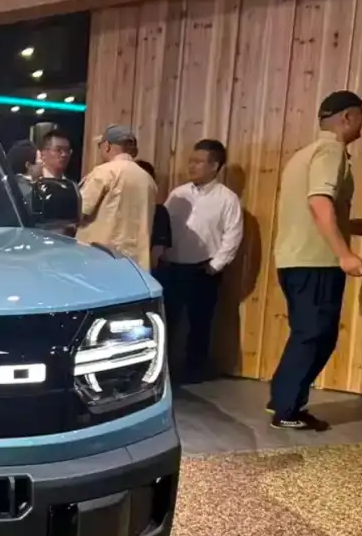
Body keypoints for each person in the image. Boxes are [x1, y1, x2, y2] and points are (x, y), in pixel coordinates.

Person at [268, 91, 362, 431]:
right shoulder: (331, 151)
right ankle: (287, 409)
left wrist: (347, 225)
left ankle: (283, 397)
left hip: (295, 259)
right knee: (315, 335)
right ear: (347, 117)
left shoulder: (305, 154)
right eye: (361, 115)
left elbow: (310, 205)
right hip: (316, 261)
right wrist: (344, 254)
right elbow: (318, 202)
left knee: (310, 333)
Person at [160, 140, 244, 382]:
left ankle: (194, 372)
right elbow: (163, 225)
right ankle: (163, 370)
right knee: (167, 320)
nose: (192, 166)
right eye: (191, 161)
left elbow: (233, 235)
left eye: (198, 162)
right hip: (172, 267)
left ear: (215, 166)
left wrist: (215, 266)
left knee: (200, 323)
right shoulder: (178, 193)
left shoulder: (227, 199)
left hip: (203, 270)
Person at [77, 125, 157, 269]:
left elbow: (79, 210)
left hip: (100, 258)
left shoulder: (104, 172)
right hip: (136, 264)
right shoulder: (148, 179)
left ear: (107, 146)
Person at [6, 139, 41, 209]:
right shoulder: (31, 194)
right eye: (39, 159)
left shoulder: (7, 186)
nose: (42, 162)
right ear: (28, 165)